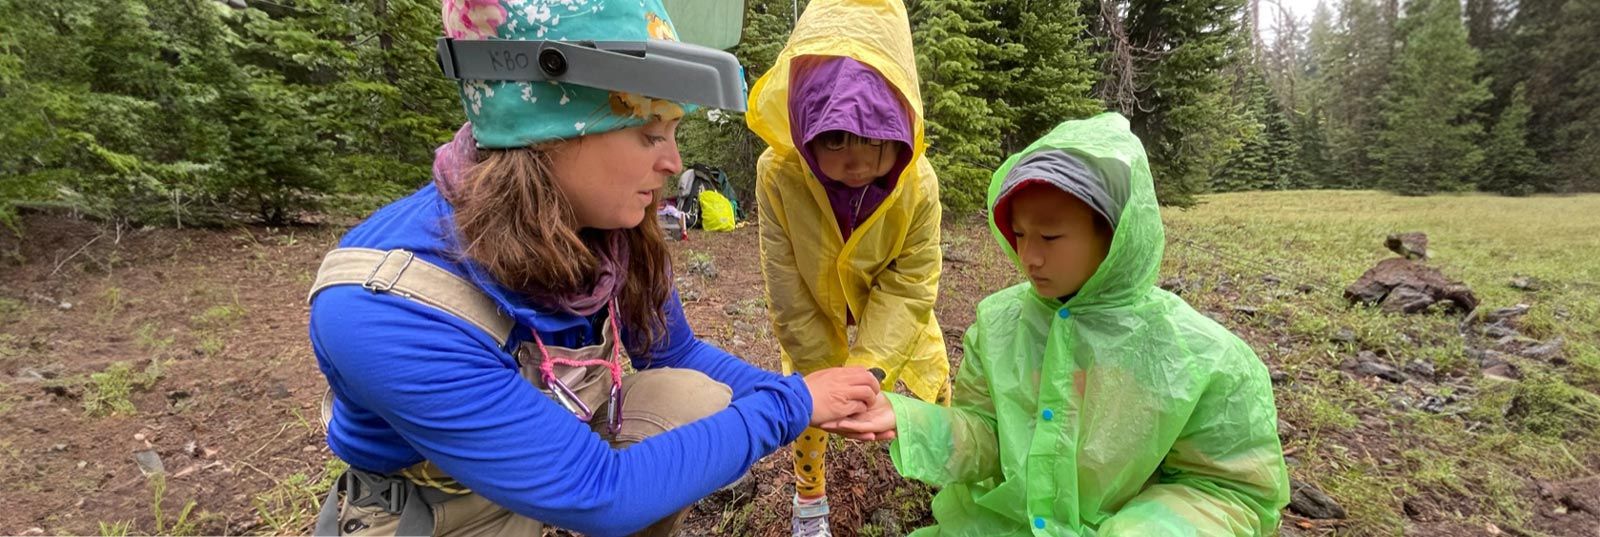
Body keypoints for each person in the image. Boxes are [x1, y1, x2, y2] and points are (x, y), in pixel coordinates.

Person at [306, 1, 881, 535]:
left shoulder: (609, 230)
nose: (673, 163)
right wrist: (792, 405)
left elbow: (673, 354)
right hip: (440, 512)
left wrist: (808, 392)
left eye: (675, 131)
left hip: (558, 456)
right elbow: (597, 491)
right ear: (547, 135)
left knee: (691, 395)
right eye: (648, 133)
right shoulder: (384, 306)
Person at [824, 113, 1292, 536]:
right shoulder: (1000, 323)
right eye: (1021, 235)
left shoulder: (1201, 355)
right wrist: (907, 419)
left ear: (1114, 234)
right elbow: (987, 434)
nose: (1029, 257)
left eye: (1050, 236)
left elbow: (1230, 489)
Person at [743, 0, 947, 534]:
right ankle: (810, 503)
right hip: (813, 301)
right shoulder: (779, 175)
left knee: (936, 377)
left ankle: (954, 476)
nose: (855, 162)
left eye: (874, 139)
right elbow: (786, 285)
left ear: (901, 125)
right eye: (834, 139)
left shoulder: (917, 185)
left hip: (886, 301)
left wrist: (872, 369)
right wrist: (826, 376)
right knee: (809, 400)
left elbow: (911, 285)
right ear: (806, 123)